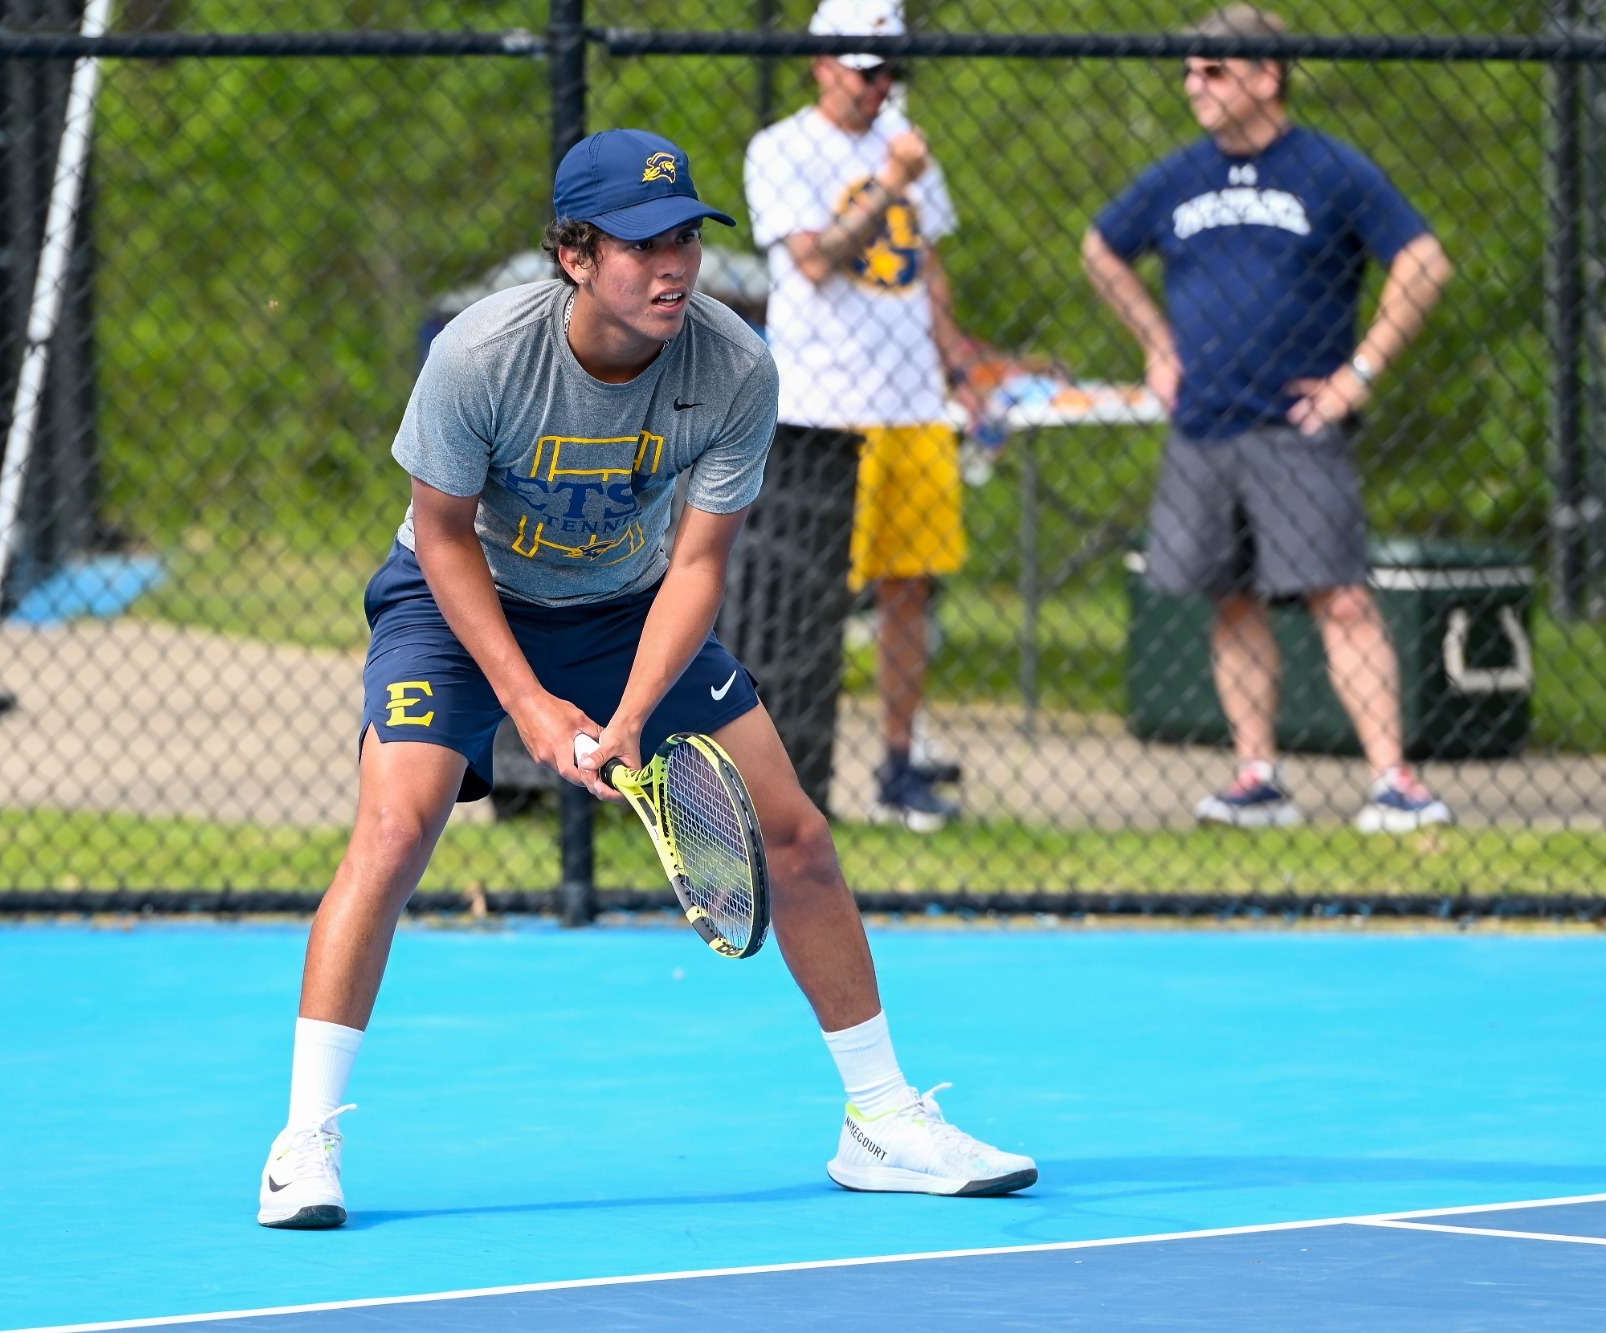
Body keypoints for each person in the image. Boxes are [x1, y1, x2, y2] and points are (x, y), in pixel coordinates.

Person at [256, 128, 1036, 1230]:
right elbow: (440, 539)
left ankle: (880, 1120)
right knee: (393, 831)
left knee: (799, 834)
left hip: (627, 608)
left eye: (684, 238)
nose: (672, 264)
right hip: (455, 597)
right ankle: (302, 1142)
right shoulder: (479, 356)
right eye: (638, 244)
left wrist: (624, 716)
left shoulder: (733, 365)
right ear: (574, 255)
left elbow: (700, 561)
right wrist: (526, 703)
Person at [1082, 4, 1456, 833]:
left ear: (1266, 75)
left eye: (1214, 70)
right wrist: (1156, 343)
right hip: (1204, 424)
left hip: (1296, 426)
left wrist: (1359, 373)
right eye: (1189, 71)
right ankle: (1259, 777)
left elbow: (1424, 261)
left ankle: (1395, 781)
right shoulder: (1179, 176)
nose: (1195, 86)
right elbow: (1100, 246)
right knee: (1232, 600)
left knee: (1344, 599)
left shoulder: (1330, 169)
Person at [744, 0, 991, 833]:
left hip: (913, 400)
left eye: (890, 71)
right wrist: (890, 181)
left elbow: (928, 264)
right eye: (865, 71)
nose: (881, 87)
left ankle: (898, 762)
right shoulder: (783, 149)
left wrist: (960, 361)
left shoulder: (908, 148)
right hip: (823, 409)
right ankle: (786, 774)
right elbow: (812, 261)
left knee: (910, 589)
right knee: (808, 593)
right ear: (823, 65)